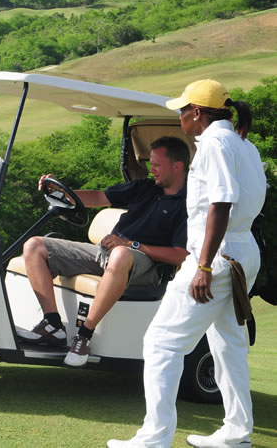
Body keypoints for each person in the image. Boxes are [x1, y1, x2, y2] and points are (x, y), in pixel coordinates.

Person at [108, 80, 266, 448]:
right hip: (243, 251)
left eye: (182, 110)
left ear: (197, 113)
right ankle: (236, 432)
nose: (180, 117)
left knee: (161, 343)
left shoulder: (214, 143)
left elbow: (221, 203)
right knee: (228, 345)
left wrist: (204, 266)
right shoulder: (244, 143)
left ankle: (154, 437)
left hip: (217, 257)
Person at [18, 137, 191, 367]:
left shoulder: (188, 204)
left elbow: (180, 255)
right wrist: (62, 193)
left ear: (177, 165)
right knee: (34, 246)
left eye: (157, 165)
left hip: (147, 267)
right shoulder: (145, 187)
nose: (152, 169)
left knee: (120, 254)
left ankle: (84, 336)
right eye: (151, 164)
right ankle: (52, 325)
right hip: (108, 254)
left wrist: (131, 245)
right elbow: (100, 197)